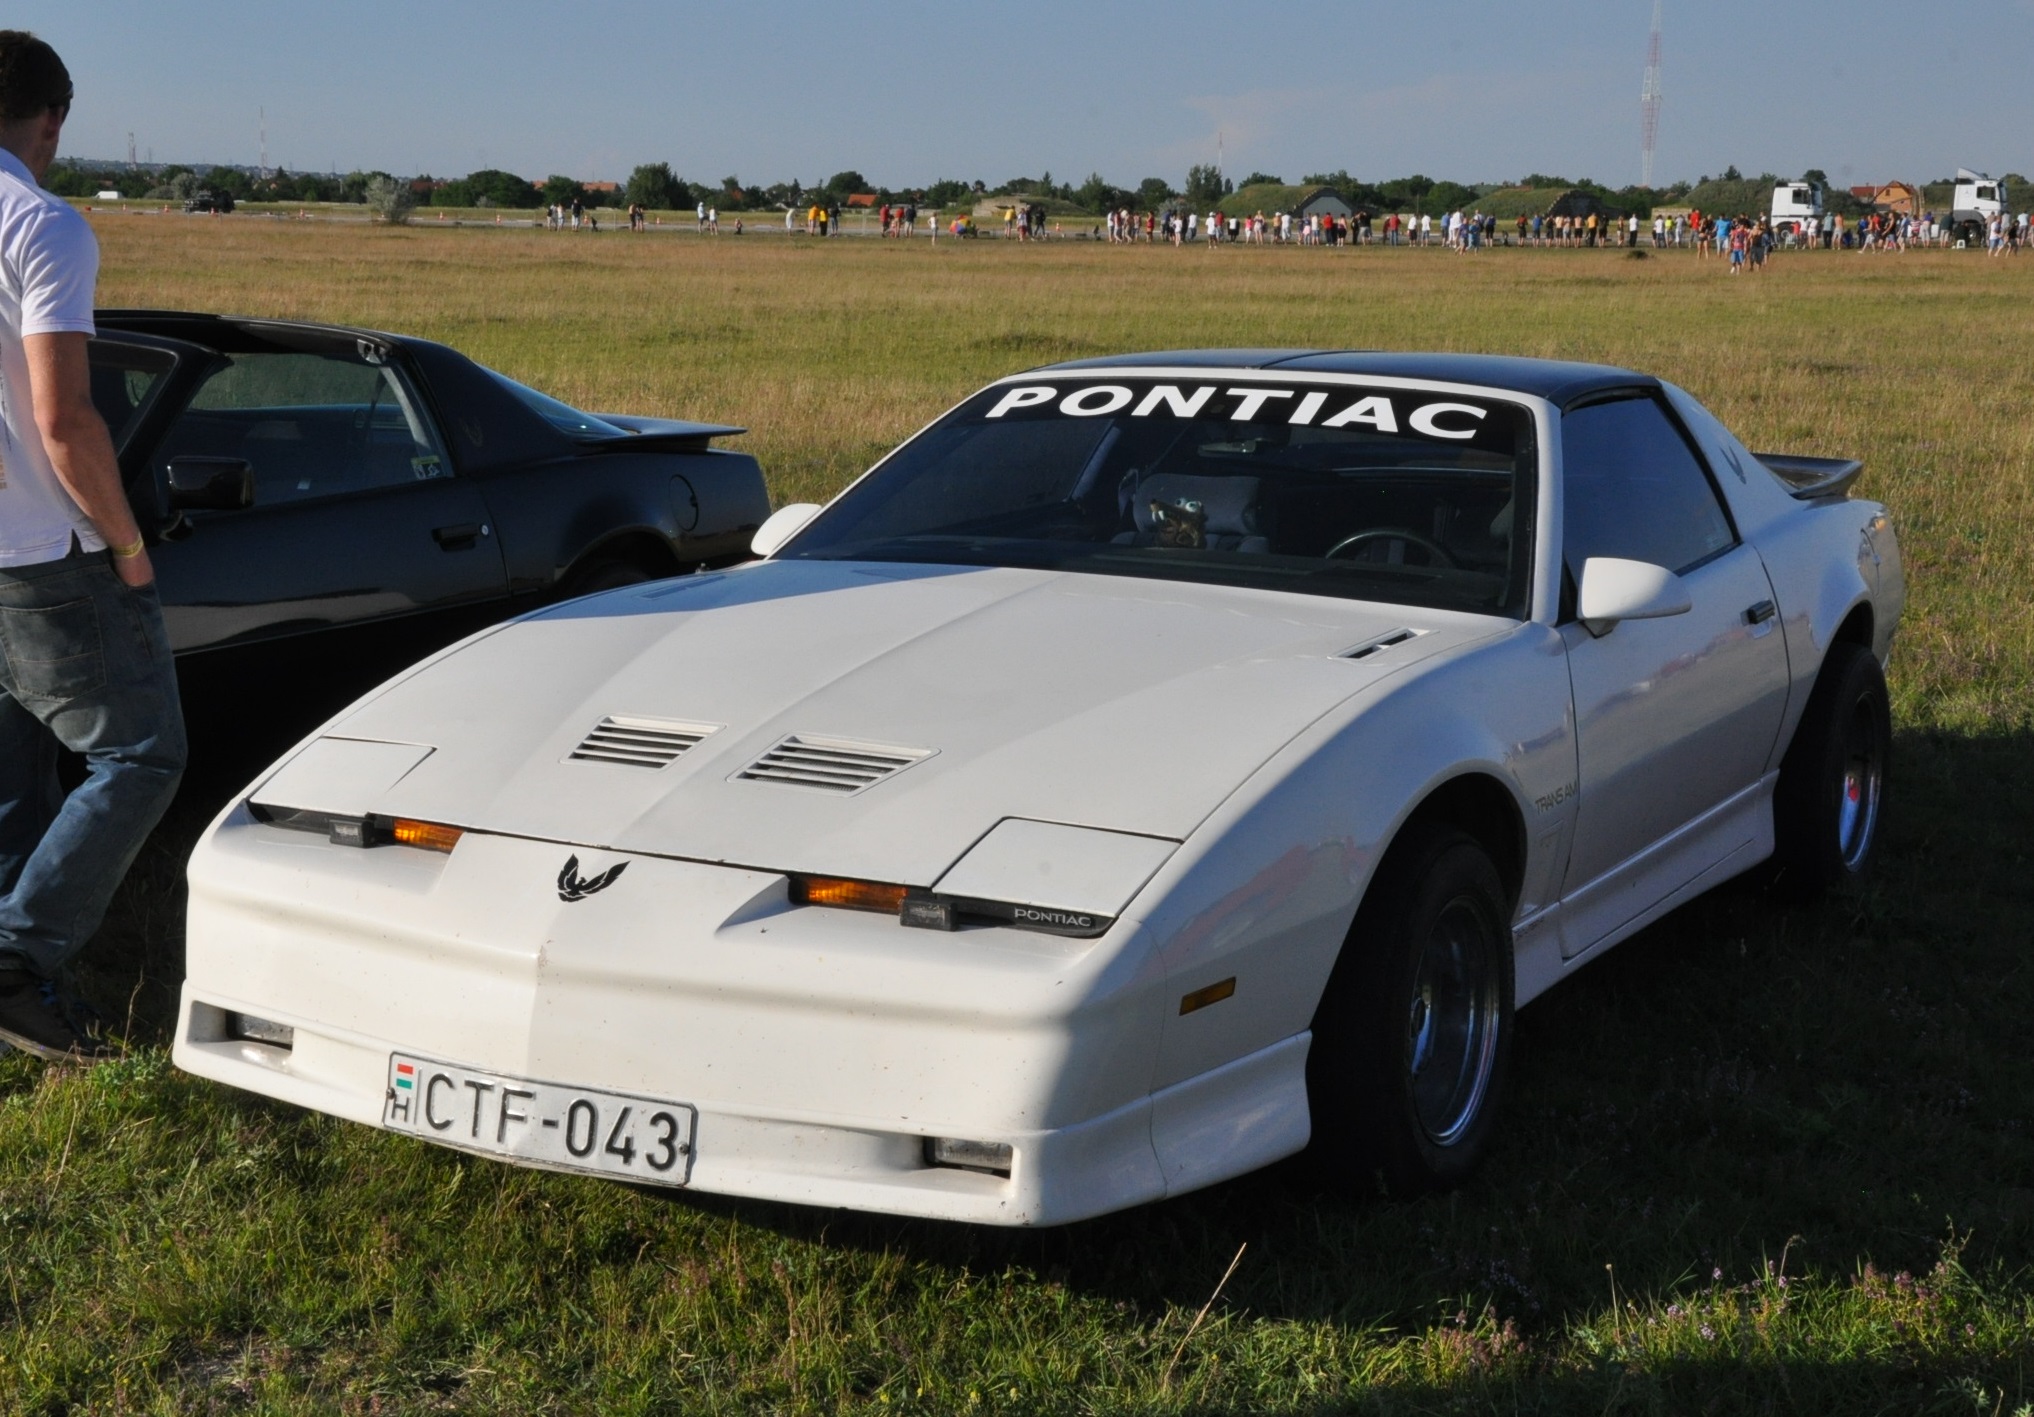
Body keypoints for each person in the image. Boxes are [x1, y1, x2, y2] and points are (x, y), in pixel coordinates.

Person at [0, 31, 185, 1061]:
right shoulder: (43, 224)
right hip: (42, 555)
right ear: (51, 119)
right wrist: (127, 547)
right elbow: (65, 421)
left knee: (16, 765)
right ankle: (17, 961)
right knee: (142, 752)